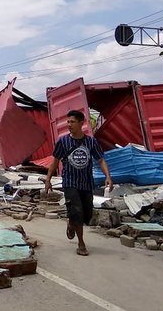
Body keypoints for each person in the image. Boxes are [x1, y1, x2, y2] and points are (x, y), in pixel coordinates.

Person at [44, 109, 113, 256]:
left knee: (87, 215)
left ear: (81, 123)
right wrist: (48, 179)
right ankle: (81, 243)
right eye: (68, 122)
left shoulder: (91, 142)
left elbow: (100, 160)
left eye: (72, 122)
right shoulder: (63, 141)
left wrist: (108, 176)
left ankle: (71, 222)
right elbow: (55, 161)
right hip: (70, 182)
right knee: (76, 211)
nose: (69, 124)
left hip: (86, 183)